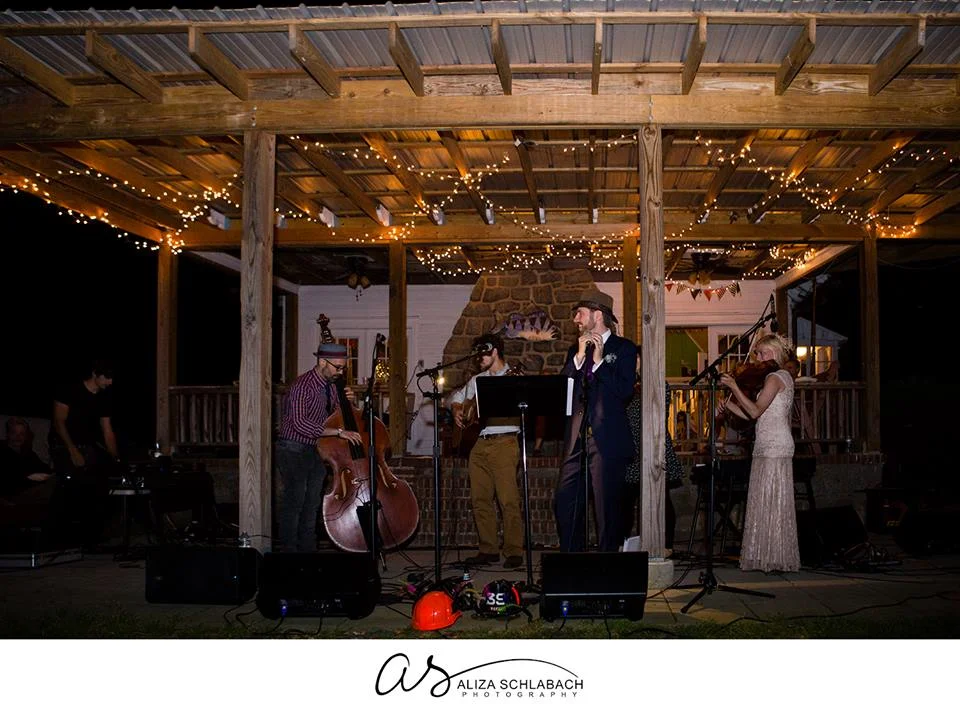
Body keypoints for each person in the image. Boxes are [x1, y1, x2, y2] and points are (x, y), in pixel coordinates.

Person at [556, 288, 637, 552]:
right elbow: (562, 391)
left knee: (607, 510)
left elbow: (624, 391)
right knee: (565, 502)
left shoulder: (624, 348)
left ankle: (607, 565)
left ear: (597, 315)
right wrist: (579, 358)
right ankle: (572, 563)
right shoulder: (574, 350)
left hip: (607, 440)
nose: (575, 319)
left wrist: (600, 363)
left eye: (580, 313)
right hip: (576, 439)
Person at [719, 333, 800, 573]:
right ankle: (768, 555)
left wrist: (734, 387)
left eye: (763, 353)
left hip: (775, 445)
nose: (759, 358)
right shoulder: (777, 377)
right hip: (767, 443)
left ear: (776, 352)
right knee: (765, 500)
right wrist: (730, 405)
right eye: (758, 354)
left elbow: (755, 411)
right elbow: (753, 416)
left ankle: (774, 556)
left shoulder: (776, 377)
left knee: (772, 501)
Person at [275, 342, 362, 552]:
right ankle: (288, 551)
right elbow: (300, 424)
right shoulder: (302, 386)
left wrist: (350, 402)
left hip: (314, 448)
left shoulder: (331, 385)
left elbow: (339, 414)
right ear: (322, 362)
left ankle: (308, 551)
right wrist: (338, 433)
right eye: (337, 367)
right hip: (292, 448)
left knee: (312, 503)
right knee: (295, 500)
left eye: (343, 368)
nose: (340, 372)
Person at [449, 334, 523, 569]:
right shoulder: (477, 380)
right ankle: (488, 549)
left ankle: (514, 550)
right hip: (478, 443)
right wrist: (457, 410)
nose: (478, 359)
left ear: (494, 351)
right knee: (480, 499)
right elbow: (455, 397)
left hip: (505, 442)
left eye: (482, 354)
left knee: (508, 499)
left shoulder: (514, 377)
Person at [624, 357, 684, 553]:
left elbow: (661, 407)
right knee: (627, 502)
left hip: (654, 447)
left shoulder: (658, 384)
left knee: (661, 500)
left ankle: (666, 545)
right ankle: (625, 544)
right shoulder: (627, 385)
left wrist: (642, 374)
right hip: (632, 451)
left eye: (637, 359)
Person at [48, 358, 119, 476]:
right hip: (63, 444)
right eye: (107, 377)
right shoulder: (69, 389)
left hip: (87, 446)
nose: (110, 382)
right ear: (95, 373)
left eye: (112, 378)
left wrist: (116, 458)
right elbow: (58, 422)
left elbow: (107, 431)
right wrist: (73, 450)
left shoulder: (104, 397)